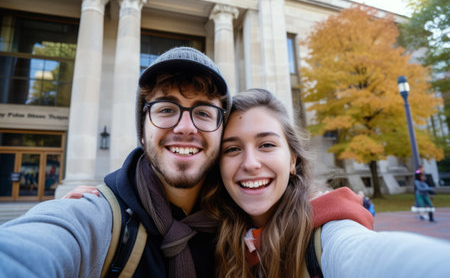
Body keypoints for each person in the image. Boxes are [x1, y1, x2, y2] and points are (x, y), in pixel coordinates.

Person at [0, 47, 232, 278]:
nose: (185, 127)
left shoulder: (239, 225)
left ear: (222, 131)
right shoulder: (98, 218)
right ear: (142, 131)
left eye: (203, 113)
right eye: (167, 109)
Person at [202, 88, 450, 277]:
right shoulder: (209, 235)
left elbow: (366, 255)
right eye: (232, 149)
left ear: (292, 159)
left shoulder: (327, 235)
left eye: (266, 145)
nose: (251, 163)